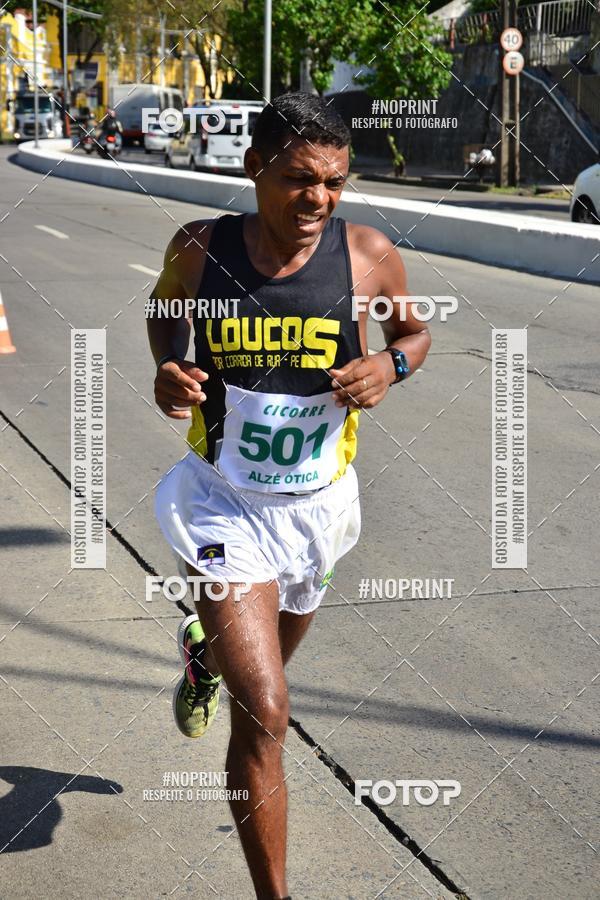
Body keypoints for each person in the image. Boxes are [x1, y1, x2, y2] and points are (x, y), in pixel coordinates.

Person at [148, 91, 431, 900]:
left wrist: (393, 365)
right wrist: (168, 366)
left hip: (317, 509)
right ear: (254, 169)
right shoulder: (201, 247)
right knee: (267, 708)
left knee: (256, 682)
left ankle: (203, 654)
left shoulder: (368, 253)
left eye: (335, 182)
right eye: (300, 180)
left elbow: (413, 330)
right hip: (220, 501)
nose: (319, 199)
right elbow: (165, 316)